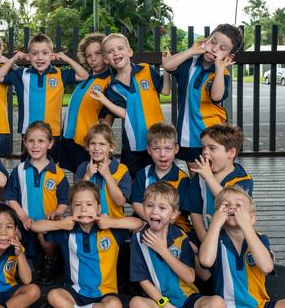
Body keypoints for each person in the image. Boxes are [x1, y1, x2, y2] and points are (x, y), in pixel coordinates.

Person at [199, 187, 285, 308]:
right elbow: (205, 261)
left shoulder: (259, 239)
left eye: (239, 205)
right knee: (212, 304)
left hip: (259, 305)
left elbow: (267, 267)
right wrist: (214, 225)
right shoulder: (216, 239)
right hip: (227, 305)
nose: (232, 207)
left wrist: (246, 226)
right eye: (225, 204)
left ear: (252, 218)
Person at [31, 181, 143, 308]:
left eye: (89, 204)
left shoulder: (111, 230)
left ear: (99, 208)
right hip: (74, 292)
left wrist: (111, 222)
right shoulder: (66, 231)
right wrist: (60, 224)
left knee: (114, 305)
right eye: (77, 205)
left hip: (105, 293)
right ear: (71, 208)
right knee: (53, 295)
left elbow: (138, 223)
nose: (83, 209)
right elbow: (36, 227)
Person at [129, 182, 225, 308]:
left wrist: (163, 251)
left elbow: (190, 277)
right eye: (149, 206)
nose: (154, 212)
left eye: (162, 208)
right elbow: (143, 280)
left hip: (187, 298)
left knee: (217, 302)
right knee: (136, 303)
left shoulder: (180, 236)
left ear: (173, 213)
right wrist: (165, 304)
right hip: (158, 301)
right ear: (143, 207)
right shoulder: (138, 239)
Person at [0, 33, 89, 161]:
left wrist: (67, 59)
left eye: (45, 53)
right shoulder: (21, 75)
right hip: (28, 134)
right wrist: (13, 59)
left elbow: (84, 76)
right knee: (28, 167)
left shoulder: (60, 74)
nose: (40, 57)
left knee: (51, 169)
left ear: (52, 55)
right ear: (28, 57)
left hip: (53, 133)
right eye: (34, 53)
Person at [162, 24, 243, 172]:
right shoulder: (190, 62)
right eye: (213, 42)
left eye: (223, 48)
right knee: (196, 175)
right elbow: (167, 65)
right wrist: (192, 50)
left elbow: (216, 96)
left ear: (229, 57)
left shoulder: (222, 74)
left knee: (215, 173)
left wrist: (219, 68)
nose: (214, 48)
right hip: (188, 132)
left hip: (213, 133)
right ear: (206, 40)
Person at [90, 33, 170, 177]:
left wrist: (167, 69)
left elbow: (165, 90)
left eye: (120, 48)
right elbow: (125, 114)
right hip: (133, 144)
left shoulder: (145, 70)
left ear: (129, 52)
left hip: (157, 140)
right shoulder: (113, 87)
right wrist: (103, 99)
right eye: (110, 52)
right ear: (107, 59)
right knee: (134, 181)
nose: (116, 53)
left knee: (157, 179)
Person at [2, 121, 69, 284]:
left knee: (48, 242)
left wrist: (58, 212)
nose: (35, 145)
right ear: (25, 142)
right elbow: (11, 197)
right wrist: (23, 217)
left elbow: (64, 201)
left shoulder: (57, 174)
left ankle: (50, 262)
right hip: (24, 222)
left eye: (41, 141)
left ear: (50, 144)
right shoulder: (19, 171)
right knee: (13, 237)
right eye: (31, 140)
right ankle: (22, 264)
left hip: (47, 224)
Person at [181, 124, 253, 243]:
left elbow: (230, 200)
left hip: (235, 237)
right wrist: (205, 241)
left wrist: (209, 177)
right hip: (205, 234)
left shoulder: (243, 179)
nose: (205, 152)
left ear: (231, 153)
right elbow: (194, 212)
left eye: (212, 148)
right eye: (203, 148)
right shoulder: (199, 179)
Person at [61, 33, 114, 172]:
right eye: (89, 55)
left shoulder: (109, 82)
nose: (93, 59)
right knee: (77, 173)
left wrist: (100, 142)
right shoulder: (85, 78)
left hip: (88, 140)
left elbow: (107, 120)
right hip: (70, 136)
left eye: (98, 53)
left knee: (89, 177)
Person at [130, 123, 192, 233]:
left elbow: (176, 213)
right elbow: (136, 203)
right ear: (149, 149)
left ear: (176, 149)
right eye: (156, 149)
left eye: (168, 148)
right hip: (146, 219)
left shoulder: (182, 179)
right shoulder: (143, 174)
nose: (162, 154)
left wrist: (159, 223)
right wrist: (152, 221)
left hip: (175, 224)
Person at [74, 123, 131, 219]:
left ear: (111, 147)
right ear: (87, 146)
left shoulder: (121, 169)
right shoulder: (83, 168)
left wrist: (107, 175)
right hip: (88, 222)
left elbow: (120, 202)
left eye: (102, 144)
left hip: (114, 223)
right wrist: (87, 176)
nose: (96, 148)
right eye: (93, 143)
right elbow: (76, 200)